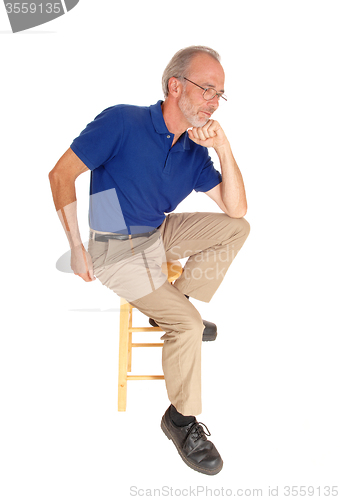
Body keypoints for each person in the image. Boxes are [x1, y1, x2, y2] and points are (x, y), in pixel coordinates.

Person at [49, 45, 250, 475]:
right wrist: (77, 246)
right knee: (189, 325)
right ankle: (180, 419)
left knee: (237, 229)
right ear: (175, 85)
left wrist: (225, 148)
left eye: (220, 94)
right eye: (207, 89)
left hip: (156, 234)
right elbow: (61, 174)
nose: (214, 101)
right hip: (114, 247)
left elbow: (236, 210)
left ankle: (174, 308)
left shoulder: (195, 152)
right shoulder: (123, 120)